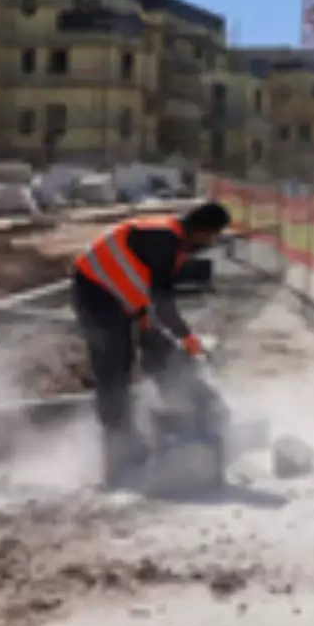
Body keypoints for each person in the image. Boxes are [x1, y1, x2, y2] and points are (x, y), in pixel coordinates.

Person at [71, 201, 232, 485]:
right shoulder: (164, 240)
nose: (212, 242)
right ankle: (119, 450)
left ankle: (184, 414)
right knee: (115, 366)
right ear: (204, 230)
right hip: (96, 292)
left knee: (158, 352)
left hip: (125, 297)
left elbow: (148, 289)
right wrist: (187, 338)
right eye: (213, 235)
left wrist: (162, 335)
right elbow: (163, 302)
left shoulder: (176, 242)